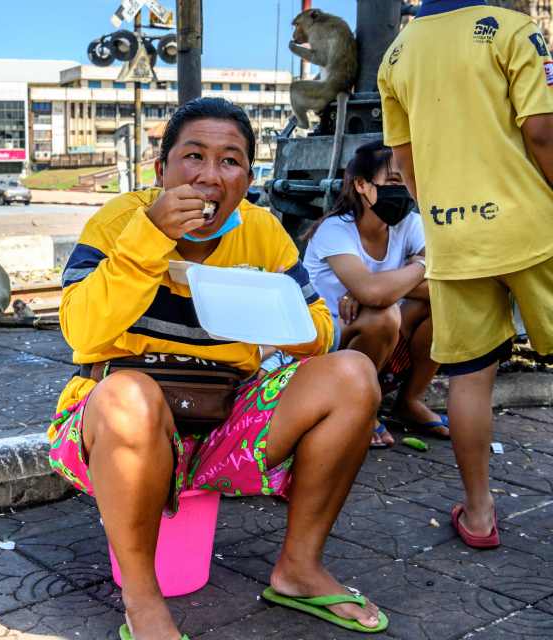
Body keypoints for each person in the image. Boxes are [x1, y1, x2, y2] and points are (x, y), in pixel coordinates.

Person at [49, 98, 387, 638]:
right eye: (193, 157)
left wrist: (276, 316)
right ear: (161, 169)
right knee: (128, 396)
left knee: (353, 373)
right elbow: (81, 333)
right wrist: (149, 240)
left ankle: (299, 567)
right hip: (121, 421)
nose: (209, 176)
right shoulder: (117, 222)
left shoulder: (262, 231)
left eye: (230, 161)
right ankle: (142, 600)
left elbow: (320, 327)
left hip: (228, 419)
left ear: (248, 177)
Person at [378, 1, 553, 549]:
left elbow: (403, 162)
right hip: (533, 228)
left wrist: (444, 214)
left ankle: (479, 514)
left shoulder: (397, 54)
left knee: (471, 378)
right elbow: (543, 132)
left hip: (453, 236)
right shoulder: (512, 30)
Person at [303, 141, 447, 448]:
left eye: (409, 180)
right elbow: (372, 293)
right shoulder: (335, 230)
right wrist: (424, 263)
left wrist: (379, 286)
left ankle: (409, 401)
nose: (404, 189)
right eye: (394, 180)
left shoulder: (409, 224)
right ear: (361, 185)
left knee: (445, 305)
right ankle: (360, 407)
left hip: (384, 338)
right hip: (329, 340)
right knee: (381, 315)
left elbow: (445, 283)